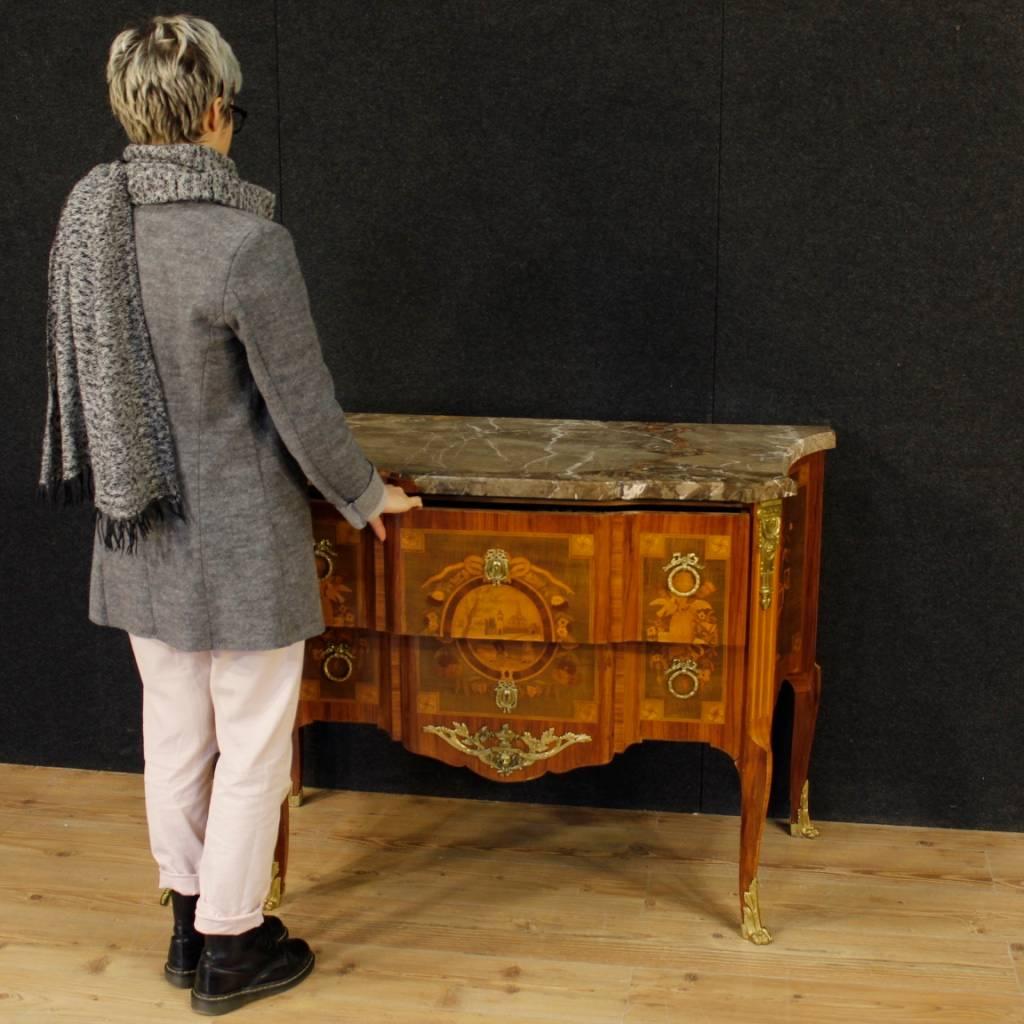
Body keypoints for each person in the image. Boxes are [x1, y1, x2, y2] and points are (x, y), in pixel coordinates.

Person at [38, 14, 422, 1015]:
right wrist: (366, 495)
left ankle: (186, 919)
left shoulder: (92, 220)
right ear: (213, 112)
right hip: (240, 539)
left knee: (173, 729)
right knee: (252, 742)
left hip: (137, 524)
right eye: (234, 109)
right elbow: (303, 406)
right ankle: (231, 945)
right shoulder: (247, 242)